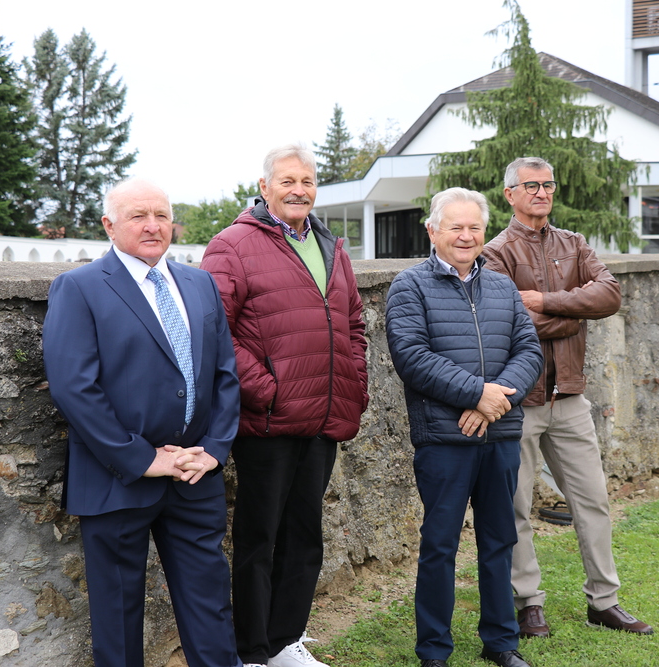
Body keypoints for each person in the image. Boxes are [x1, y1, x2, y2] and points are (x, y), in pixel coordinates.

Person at [42, 178, 241, 667]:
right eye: (138, 216)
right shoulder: (80, 288)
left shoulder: (200, 283)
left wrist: (214, 450)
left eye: (161, 215)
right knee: (118, 621)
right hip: (117, 480)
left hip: (194, 473)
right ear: (109, 226)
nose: (153, 226)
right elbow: (74, 387)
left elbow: (225, 375)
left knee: (211, 608)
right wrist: (142, 458)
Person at [201, 144, 369, 667]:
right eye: (288, 181)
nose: (299, 190)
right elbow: (215, 332)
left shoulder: (329, 244)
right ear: (265, 186)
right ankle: (251, 650)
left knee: (305, 536)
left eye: (308, 181)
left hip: (324, 416)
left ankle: (285, 642)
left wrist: (354, 382)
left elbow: (354, 323)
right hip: (268, 421)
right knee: (258, 539)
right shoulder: (232, 245)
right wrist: (266, 389)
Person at [481, 157, 654, 638]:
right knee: (516, 508)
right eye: (531, 185)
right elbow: (507, 321)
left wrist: (546, 301)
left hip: (570, 397)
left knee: (592, 501)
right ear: (510, 194)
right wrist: (576, 313)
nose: (542, 192)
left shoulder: (573, 243)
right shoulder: (495, 253)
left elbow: (610, 296)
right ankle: (528, 604)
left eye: (548, 184)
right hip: (519, 400)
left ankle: (604, 601)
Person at [386, 187, 544, 667]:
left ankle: (501, 642)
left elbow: (529, 351)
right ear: (432, 231)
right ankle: (434, 650)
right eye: (455, 226)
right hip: (444, 440)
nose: (466, 235)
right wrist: (477, 393)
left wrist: (492, 403)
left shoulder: (501, 287)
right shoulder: (409, 286)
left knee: (499, 541)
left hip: (500, 436)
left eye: (474, 227)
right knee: (440, 546)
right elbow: (412, 357)